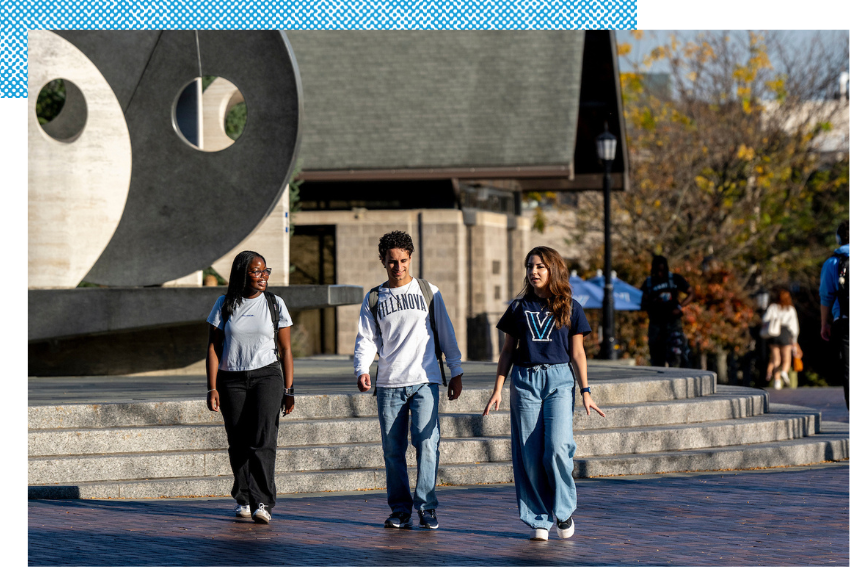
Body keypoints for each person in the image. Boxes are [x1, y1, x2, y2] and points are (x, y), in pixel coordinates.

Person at [483, 246, 605, 541]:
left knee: (557, 448)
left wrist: (586, 391)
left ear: (553, 269)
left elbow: (578, 353)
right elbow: (507, 351)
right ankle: (538, 517)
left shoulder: (571, 307)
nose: (533, 271)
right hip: (525, 380)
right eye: (530, 266)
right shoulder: (518, 308)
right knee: (529, 453)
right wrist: (498, 388)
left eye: (540, 266)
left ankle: (563, 510)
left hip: (559, 380)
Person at [354, 231, 464, 530]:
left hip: (425, 380)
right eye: (392, 261)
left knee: (427, 443)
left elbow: (446, 333)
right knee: (393, 450)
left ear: (410, 258)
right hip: (389, 383)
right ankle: (400, 510)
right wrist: (362, 369)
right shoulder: (374, 298)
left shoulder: (428, 292)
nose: (398, 267)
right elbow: (366, 339)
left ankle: (426, 506)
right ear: (382, 261)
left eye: (403, 261)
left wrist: (456, 371)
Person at [205, 251, 295, 524]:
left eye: (265, 271)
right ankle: (243, 497)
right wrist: (211, 388)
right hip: (231, 379)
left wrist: (289, 390)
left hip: (267, 376)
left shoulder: (274, 304)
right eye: (256, 271)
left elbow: (286, 349)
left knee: (263, 440)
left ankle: (263, 501)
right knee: (238, 442)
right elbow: (213, 347)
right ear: (242, 274)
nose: (263, 276)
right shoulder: (224, 303)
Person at [640, 255, 695, 367]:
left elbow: (691, 293)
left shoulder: (674, 279)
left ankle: (675, 375)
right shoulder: (649, 283)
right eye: (657, 271)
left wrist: (679, 306)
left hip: (673, 323)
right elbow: (642, 302)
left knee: (676, 356)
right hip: (656, 323)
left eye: (662, 270)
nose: (659, 274)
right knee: (657, 358)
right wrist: (652, 303)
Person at [819, 220, 849, 408]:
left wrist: (824, 323)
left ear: (838, 238)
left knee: (848, 367)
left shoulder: (832, 263)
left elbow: (826, 296)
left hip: (844, 320)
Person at [762, 288, 801, 390]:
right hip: (785, 333)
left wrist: (774, 319)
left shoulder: (773, 307)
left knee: (776, 358)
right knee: (786, 358)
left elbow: (765, 319)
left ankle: (777, 381)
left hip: (774, 333)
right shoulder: (790, 309)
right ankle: (784, 371)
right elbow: (794, 327)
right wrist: (794, 340)